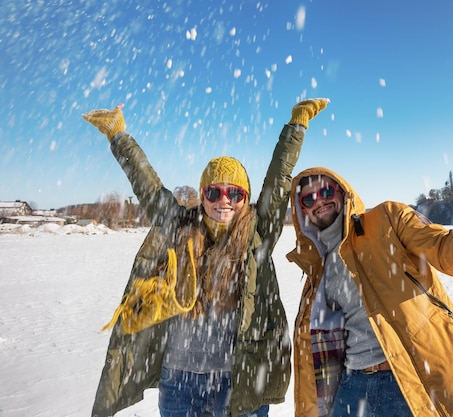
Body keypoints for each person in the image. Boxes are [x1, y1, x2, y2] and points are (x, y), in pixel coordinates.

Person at [82, 97, 329, 417]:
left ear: (246, 197)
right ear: (203, 195)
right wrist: (118, 135)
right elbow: (148, 186)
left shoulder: (257, 233)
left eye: (234, 193)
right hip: (179, 382)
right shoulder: (180, 227)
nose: (223, 201)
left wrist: (297, 125)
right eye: (214, 192)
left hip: (238, 380)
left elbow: (278, 180)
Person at [286, 167, 453, 417]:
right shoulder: (317, 266)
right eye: (308, 199)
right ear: (303, 210)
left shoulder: (387, 218)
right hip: (351, 388)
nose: (319, 200)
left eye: (326, 190)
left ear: (343, 193)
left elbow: (446, 252)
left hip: (407, 380)